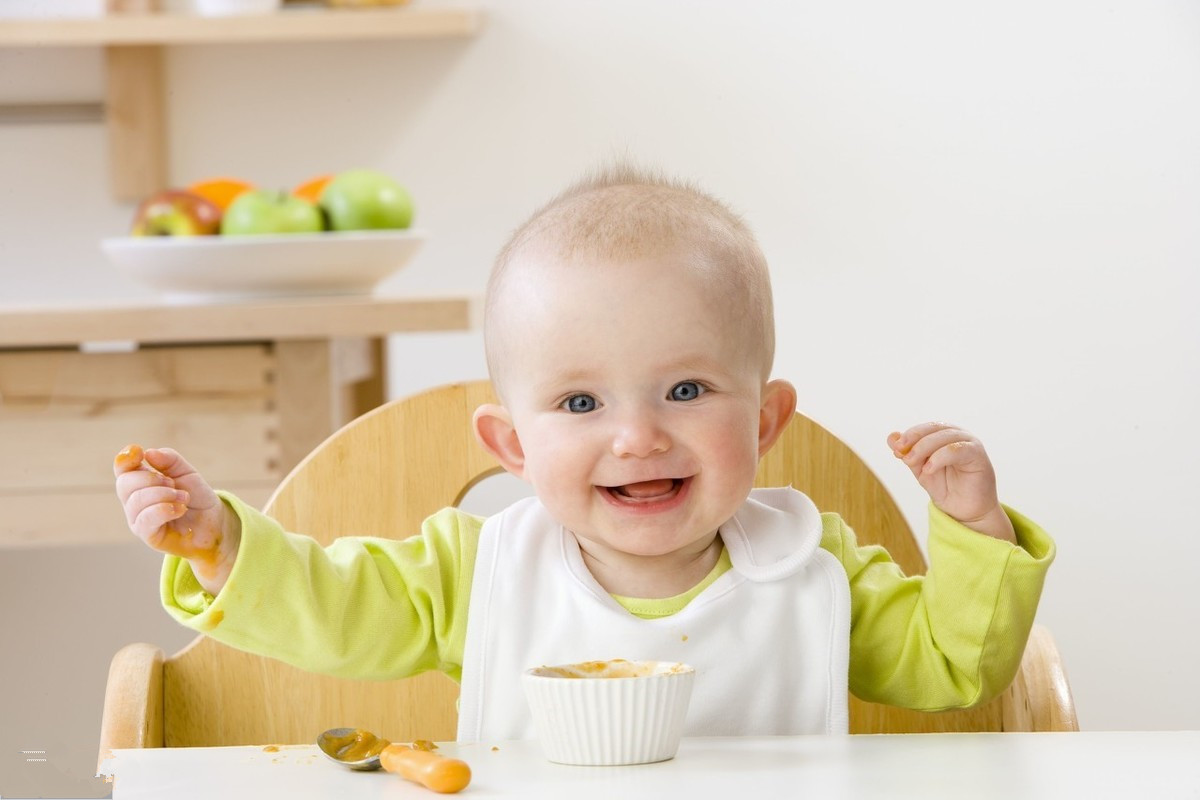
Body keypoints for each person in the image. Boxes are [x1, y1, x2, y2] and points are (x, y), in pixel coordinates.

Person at [114, 164, 1054, 739]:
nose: (638, 436)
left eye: (686, 390)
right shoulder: (476, 574)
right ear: (512, 446)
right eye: (579, 401)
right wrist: (221, 546)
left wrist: (972, 528)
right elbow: (333, 607)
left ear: (766, 423)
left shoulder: (813, 572)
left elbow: (953, 665)